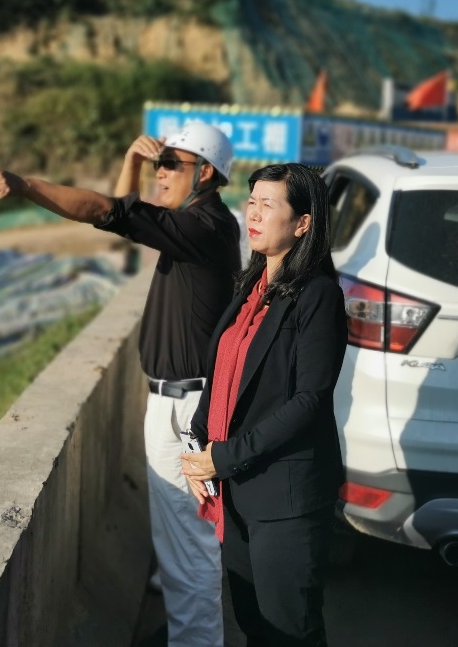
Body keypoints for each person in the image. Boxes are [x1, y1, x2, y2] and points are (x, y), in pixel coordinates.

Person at [0, 120, 241, 647]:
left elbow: (107, 212)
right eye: (159, 164)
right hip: (179, 402)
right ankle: (190, 635)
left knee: (191, 548)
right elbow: (122, 217)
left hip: (187, 411)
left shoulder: (204, 226)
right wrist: (131, 165)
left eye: (171, 164)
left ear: (205, 173)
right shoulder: (194, 224)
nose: (161, 173)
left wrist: (24, 185)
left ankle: (198, 643)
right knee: (180, 544)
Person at [181, 163, 347, 647]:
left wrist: (224, 457)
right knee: (254, 625)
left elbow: (309, 400)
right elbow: (221, 378)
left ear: (303, 223)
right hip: (236, 490)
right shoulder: (252, 288)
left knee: (289, 631)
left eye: (267, 205)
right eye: (251, 201)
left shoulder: (318, 295)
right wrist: (198, 450)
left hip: (285, 498)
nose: (253, 213)